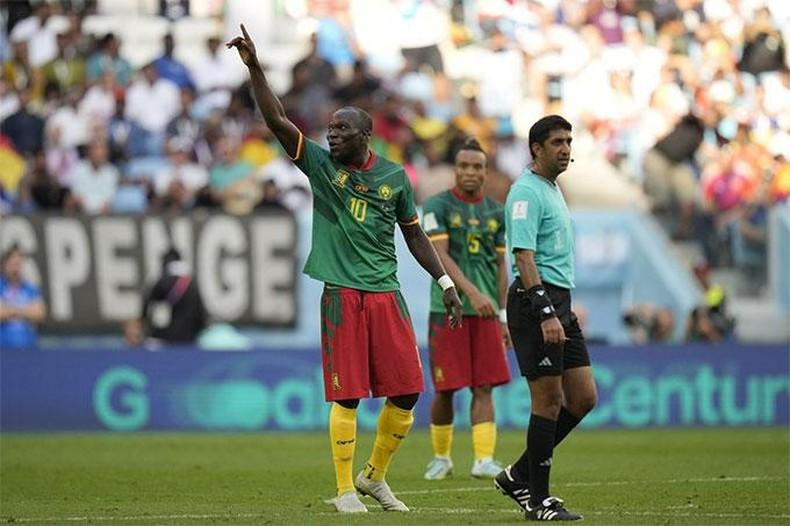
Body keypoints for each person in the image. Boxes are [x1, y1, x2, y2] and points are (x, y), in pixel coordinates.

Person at [227, 25, 463, 514]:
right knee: (350, 396)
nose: (331, 134)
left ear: (365, 136)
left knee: (408, 391)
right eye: (330, 128)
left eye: (341, 129)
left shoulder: (394, 177)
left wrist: (444, 281)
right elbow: (276, 120)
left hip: (386, 292)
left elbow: (414, 234)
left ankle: (374, 477)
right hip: (341, 294)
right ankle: (343, 490)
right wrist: (254, 66)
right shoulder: (320, 166)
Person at [496, 115, 597, 521]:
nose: (566, 148)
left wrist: (563, 309)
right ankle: (538, 500)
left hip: (560, 302)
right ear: (536, 148)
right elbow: (523, 257)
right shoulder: (525, 193)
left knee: (584, 398)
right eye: (557, 141)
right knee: (549, 401)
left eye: (569, 141)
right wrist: (545, 312)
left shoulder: (552, 189)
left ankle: (518, 474)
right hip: (535, 303)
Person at [420, 137, 511, 481]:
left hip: (487, 313)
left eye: (477, 167)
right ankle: (442, 457)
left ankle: (483, 459)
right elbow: (440, 255)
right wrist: (472, 293)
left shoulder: (497, 213)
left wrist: (503, 315)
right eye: (464, 166)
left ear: (486, 172)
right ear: (454, 169)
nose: (470, 172)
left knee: (484, 386)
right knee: (445, 388)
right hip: (449, 309)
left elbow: (502, 267)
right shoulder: (436, 206)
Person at [0, 244, 46, 349]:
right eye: (12, 263)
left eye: (18, 263)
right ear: (5, 264)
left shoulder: (31, 289)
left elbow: (39, 314)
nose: (15, 268)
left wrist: (10, 310)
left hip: (28, 348)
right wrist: (26, 311)